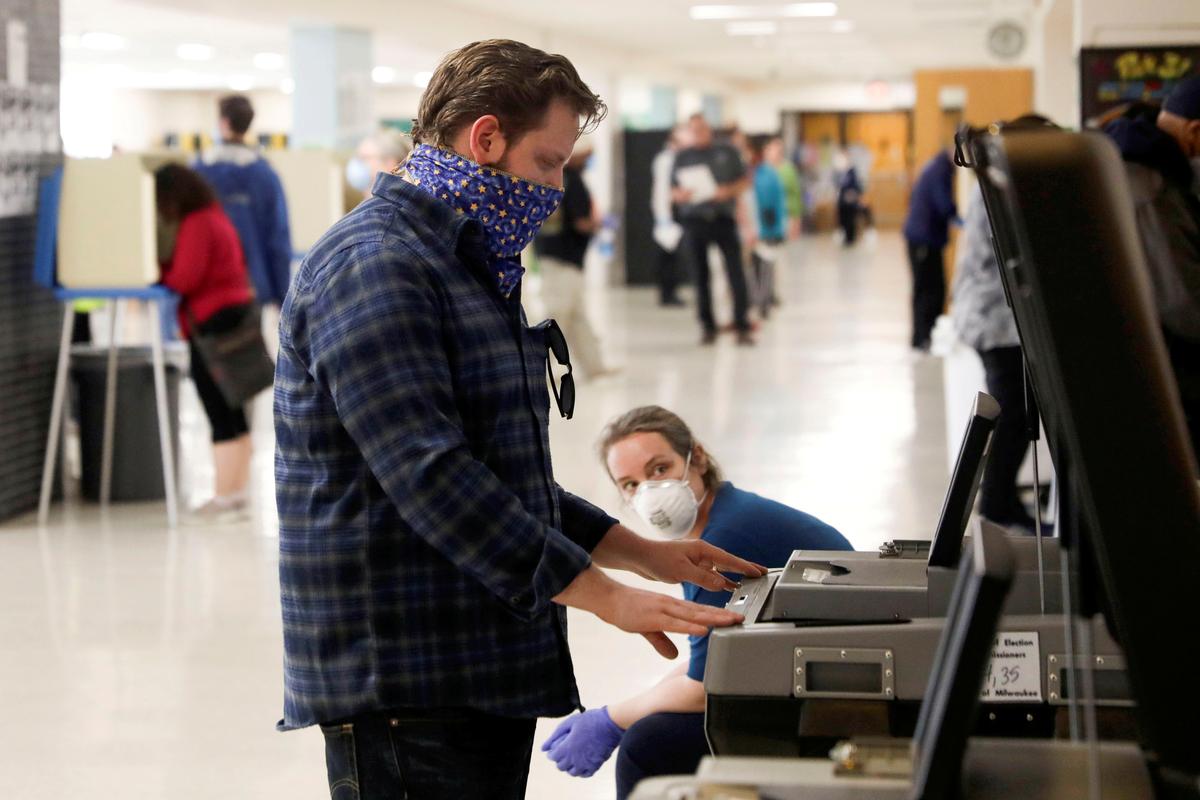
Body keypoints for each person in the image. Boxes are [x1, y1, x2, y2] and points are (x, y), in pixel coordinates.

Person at [273, 39, 767, 800]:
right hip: (409, 680)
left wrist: (643, 553)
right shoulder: (376, 265)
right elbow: (431, 477)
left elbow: (500, 477)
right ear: (486, 138)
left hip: (476, 663)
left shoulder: (465, 267)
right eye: (548, 163)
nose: (556, 187)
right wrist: (605, 594)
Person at [540, 405, 852, 798]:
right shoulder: (729, 515)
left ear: (697, 458)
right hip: (816, 681)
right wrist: (627, 707)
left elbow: (707, 683)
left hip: (832, 706)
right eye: (630, 484)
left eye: (659, 469)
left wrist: (613, 719)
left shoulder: (726, 540)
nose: (649, 492)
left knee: (649, 744)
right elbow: (719, 650)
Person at [1104, 80, 1200, 457]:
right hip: (1167, 383)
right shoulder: (1151, 188)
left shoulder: (1135, 165)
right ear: (1194, 132)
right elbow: (1183, 304)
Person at [155, 164, 256, 519]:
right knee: (234, 407)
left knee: (218, 410)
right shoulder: (215, 215)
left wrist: (157, 270)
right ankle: (237, 491)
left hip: (211, 322)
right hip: (232, 316)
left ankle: (223, 496)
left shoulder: (197, 222)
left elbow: (185, 277)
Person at [194, 95, 292, 310]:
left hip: (203, 287)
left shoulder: (197, 173)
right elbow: (278, 237)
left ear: (223, 123)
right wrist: (282, 296)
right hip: (250, 287)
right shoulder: (264, 174)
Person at [534, 135, 616, 378]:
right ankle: (539, 371)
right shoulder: (573, 181)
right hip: (564, 258)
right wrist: (601, 224)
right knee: (556, 316)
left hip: (553, 254)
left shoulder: (549, 178)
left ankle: (594, 367)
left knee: (577, 314)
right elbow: (581, 222)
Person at [672, 113, 755, 346]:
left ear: (709, 129)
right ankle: (707, 325)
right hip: (695, 220)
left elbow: (745, 181)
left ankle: (742, 324)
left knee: (735, 272)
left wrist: (726, 192)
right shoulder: (683, 157)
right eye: (694, 130)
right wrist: (681, 196)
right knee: (700, 275)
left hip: (722, 218)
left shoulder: (727, 152)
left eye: (703, 129)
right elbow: (673, 191)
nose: (699, 134)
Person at [903, 149, 960, 352]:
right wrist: (958, 217)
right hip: (923, 241)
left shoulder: (936, 167)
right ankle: (924, 337)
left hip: (925, 238)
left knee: (928, 288)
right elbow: (942, 203)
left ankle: (923, 336)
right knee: (929, 289)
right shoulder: (940, 171)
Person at [750, 136, 788, 317]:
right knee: (760, 266)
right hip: (760, 228)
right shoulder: (758, 173)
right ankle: (759, 300)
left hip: (770, 228)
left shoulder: (771, 173)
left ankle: (765, 299)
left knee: (766, 265)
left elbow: (777, 202)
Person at [650, 124, 688, 307]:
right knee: (667, 256)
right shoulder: (665, 160)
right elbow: (662, 190)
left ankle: (671, 291)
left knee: (673, 256)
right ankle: (667, 293)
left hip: (673, 212)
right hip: (666, 213)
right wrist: (663, 215)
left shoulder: (677, 159)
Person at [345, 128, 413, 199]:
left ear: (390, 163)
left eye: (364, 157)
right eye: (358, 157)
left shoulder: (391, 206)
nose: (358, 163)